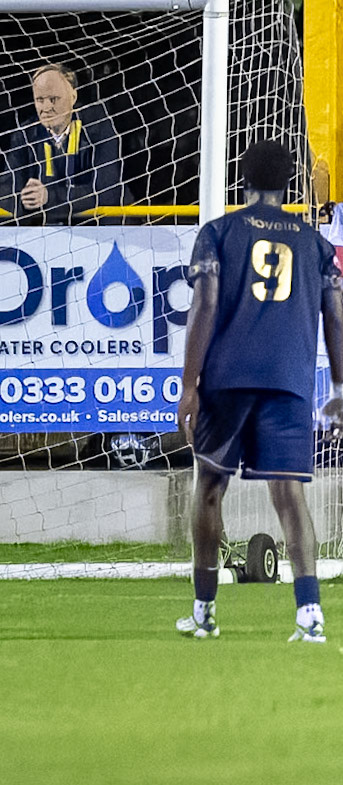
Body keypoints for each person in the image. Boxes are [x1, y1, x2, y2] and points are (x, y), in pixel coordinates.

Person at [176, 140, 343, 643]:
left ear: (242, 181)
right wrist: (339, 385)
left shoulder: (219, 232)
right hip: (289, 384)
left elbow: (204, 305)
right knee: (290, 496)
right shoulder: (315, 244)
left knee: (209, 489)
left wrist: (189, 384)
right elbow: (335, 313)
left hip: (228, 381)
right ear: (289, 184)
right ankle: (309, 615)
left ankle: (204, 613)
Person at [0, 64, 123, 224]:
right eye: (40, 100)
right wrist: (25, 198)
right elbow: (4, 191)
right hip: (42, 233)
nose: (46, 108)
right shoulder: (25, 134)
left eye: (54, 99)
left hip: (94, 231)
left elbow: (108, 192)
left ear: (73, 97)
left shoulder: (98, 127)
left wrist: (50, 197)